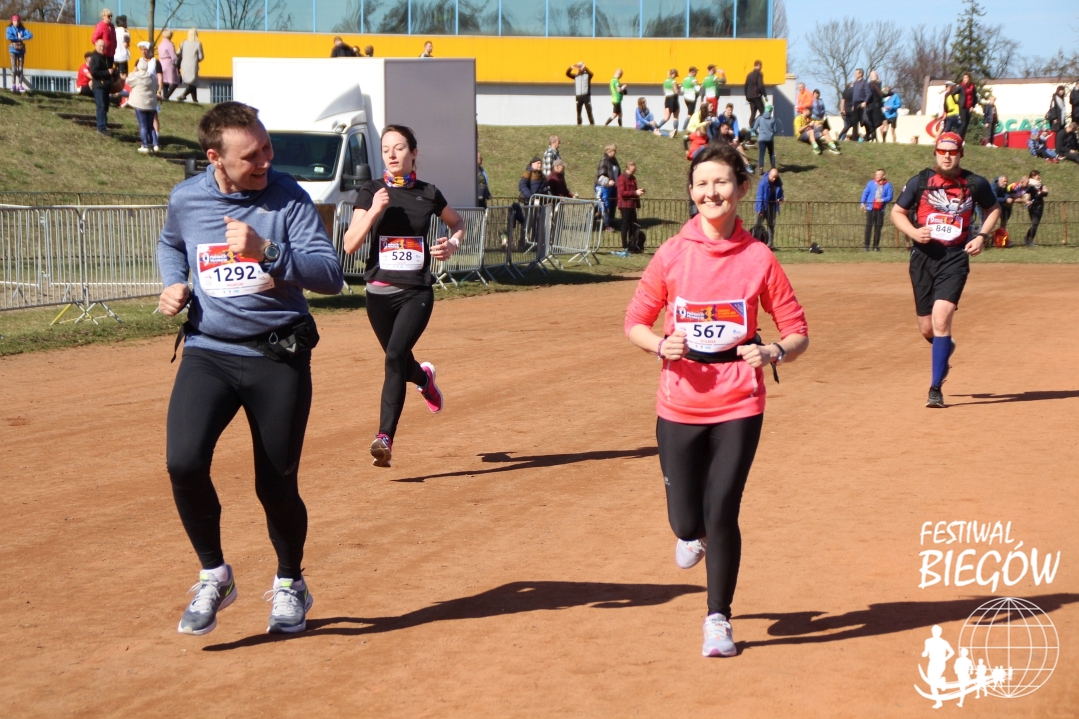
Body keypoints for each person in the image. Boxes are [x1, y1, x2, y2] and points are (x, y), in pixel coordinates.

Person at [157, 101, 345, 637]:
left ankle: (290, 583)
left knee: (275, 483)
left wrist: (268, 251)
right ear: (215, 158)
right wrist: (174, 282)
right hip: (209, 350)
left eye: (266, 148)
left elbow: (330, 274)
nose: (265, 160)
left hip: (277, 356)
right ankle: (215, 575)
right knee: (183, 462)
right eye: (251, 155)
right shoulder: (187, 198)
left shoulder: (288, 196)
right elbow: (171, 243)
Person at [624, 141, 809, 659]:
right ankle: (693, 534)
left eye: (722, 182)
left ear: (741, 189)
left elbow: (797, 331)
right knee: (687, 522)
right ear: (691, 192)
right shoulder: (671, 253)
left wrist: (772, 351)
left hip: (739, 402)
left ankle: (717, 618)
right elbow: (634, 322)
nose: (712, 192)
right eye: (702, 184)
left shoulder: (759, 258)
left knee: (723, 508)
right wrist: (659, 344)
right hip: (679, 402)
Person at [342, 125, 464, 467]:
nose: (391, 155)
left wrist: (452, 245)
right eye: (385, 149)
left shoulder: (429, 193)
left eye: (398, 148)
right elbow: (350, 244)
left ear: (413, 153)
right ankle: (424, 379)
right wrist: (374, 211)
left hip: (416, 292)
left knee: (394, 356)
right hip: (378, 293)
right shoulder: (371, 191)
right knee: (399, 360)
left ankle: (384, 438)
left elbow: (457, 223)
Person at [890, 132, 1000, 408]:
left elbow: (993, 209)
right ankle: (945, 347)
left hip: (955, 257)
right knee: (927, 327)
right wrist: (914, 233)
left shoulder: (974, 183)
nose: (947, 156)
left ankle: (935, 388)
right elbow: (897, 213)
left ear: (960, 153)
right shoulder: (920, 181)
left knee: (941, 319)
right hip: (923, 257)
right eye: (942, 151)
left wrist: (981, 236)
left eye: (952, 151)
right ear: (936, 153)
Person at [127, 57, 160, 153]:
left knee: (143, 126)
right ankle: (155, 145)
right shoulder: (152, 77)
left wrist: (133, 72)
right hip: (151, 105)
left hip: (140, 104)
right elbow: (157, 86)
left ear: (138, 66)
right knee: (150, 126)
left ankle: (145, 146)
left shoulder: (136, 76)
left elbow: (128, 81)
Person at [860, 169, 893, 251]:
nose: (877, 176)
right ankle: (866, 246)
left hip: (880, 210)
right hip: (870, 208)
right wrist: (862, 203)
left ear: (883, 175)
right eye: (876, 174)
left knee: (878, 227)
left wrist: (882, 200)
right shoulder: (871, 183)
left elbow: (890, 196)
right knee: (868, 227)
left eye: (879, 174)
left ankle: (875, 246)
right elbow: (865, 193)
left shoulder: (888, 185)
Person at [88, 37, 116, 135]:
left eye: (103, 46)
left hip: (105, 86)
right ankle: (101, 127)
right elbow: (94, 72)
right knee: (101, 106)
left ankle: (103, 125)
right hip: (99, 85)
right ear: (96, 45)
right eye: (100, 46)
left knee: (105, 106)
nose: (102, 48)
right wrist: (107, 72)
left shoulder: (105, 57)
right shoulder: (95, 57)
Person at [617, 161, 644, 253]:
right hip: (625, 205)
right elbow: (622, 193)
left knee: (633, 225)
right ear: (627, 168)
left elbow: (633, 191)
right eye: (632, 170)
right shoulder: (621, 178)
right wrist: (635, 192)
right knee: (625, 225)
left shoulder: (633, 178)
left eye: (634, 170)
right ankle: (625, 245)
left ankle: (633, 244)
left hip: (632, 205)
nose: (633, 172)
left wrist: (638, 192)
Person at [754, 167, 783, 245]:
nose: (774, 179)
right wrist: (759, 209)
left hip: (772, 207)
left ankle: (770, 244)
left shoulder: (778, 182)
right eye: (773, 177)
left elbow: (780, 193)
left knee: (771, 226)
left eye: (775, 177)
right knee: (758, 226)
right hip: (763, 206)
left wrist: (780, 198)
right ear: (769, 175)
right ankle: (756, 243)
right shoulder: (762, 183)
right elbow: (759, 197)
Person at [595, 144, 620, 231]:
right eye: (613, 151)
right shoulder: (604, 160)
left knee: (613, 205)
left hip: (613, 187)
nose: (614, 153)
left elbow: (617, 173)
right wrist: (608, 182)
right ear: (608, 151)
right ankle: (606, 225)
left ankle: (611, 221)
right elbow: (600, 176)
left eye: (615, 151)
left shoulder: (614, 161)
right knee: (605, 205)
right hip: (603, 187)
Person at [175, 29, 204, 103]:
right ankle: (183, 95)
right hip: (193, 65)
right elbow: (201, 57)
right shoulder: (198, 44)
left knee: (193, 82)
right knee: (193, 82)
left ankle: (195, 100)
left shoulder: (183, 43)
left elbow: (177, 53)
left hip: (184, 64)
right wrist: (196, 59)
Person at [1022, 170, 1048, 246]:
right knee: (1035, 223)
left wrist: (1043, 192)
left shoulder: (1040, 184)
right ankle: (1028, 239)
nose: (1039, 177)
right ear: (1033, 176)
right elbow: (1027, 194)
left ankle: (1030, 240)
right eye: (1037, 175)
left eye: (1039, 175)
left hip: (1040, 205)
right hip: (1033, 206)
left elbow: (1046, 193)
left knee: (1036, 224)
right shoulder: (1030, 185)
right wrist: (1027, 199)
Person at [7, 15, 32, 93]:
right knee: (14, 68)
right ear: (12, 21)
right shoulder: (9, 29)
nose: (16, 22)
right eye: (14, 21)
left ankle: (20, 85)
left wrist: (23, 38)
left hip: (21, 51)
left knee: (20, 68)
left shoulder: (22, 29)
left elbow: (30, 35)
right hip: (13, 50)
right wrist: (18, 38)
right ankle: (13, 84)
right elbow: (9, 36)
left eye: (17, 21)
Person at [752, 104, 779, 174]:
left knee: (761, 153)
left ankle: (761, 168)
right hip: (770, 139)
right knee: (771, 153)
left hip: (761, 139)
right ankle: (773, 167)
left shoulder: (759, 118)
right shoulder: (773, 119)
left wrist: (758, 133)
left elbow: (754, 128)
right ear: (770, 111)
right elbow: (775, 130)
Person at [952, 72, 976, 140]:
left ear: (969, 78)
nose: (965, 79)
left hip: (969, 107)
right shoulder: (961, 86)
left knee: (966, 124)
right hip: (963, 107)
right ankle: (957, 135)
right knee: (964, 122)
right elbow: (953, 93)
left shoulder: (972, 86)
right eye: (964, 78)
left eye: (966, 78)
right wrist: (957, 102)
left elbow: (975, 97)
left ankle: (962, 140)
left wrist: (972, 106)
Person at [159, 29, 179, 99]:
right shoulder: (170, 44)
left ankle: (165, 96)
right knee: (174, 82)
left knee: (165, 81)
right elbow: (173, 57)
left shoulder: (160, 44)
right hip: (169, 64)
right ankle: (166, 96)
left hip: (161, 63)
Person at [744, 60, 765, 126]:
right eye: (761, 65)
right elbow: (760, 85)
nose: (761, 67)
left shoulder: (749, 75)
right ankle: (754, 123)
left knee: (753, 113)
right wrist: (764, 94)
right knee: (762, 112)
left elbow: (746, 86)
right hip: (756, 96)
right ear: (759, 65)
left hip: (750, 97)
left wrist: (747, 96)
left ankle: (751, 127)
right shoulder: (759, 73)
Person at [850, 69, 869, 140]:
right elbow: (853, 95)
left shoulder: (864, 83)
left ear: (860, 74)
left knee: (864, 121)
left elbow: (869, 93)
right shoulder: (855, 83)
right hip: (855, 104)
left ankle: (868, 134)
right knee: (854, 121)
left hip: (862, 103)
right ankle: (854, 137)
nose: (855, 75)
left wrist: (865, 102)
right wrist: (853, 105)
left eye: (856, 73)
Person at [865, 70, 884, 141]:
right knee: (878, 122)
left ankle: (873, 137)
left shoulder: (869, 84)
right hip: (876, 105)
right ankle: (873, 137)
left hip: (871, 105)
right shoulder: (877, 84)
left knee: (874, 122)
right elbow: (881, 94)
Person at [681, 66, 700, 131]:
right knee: (690, 114)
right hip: (692, 98)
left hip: (686, 98)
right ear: (693, 72)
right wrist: (700, 86)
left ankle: (689, 128)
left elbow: (682, 90)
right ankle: (683, 128)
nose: (696, 74)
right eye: (696, 72)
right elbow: (697, 89)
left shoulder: (684, 79)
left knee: (691, 114)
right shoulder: (693, 79)